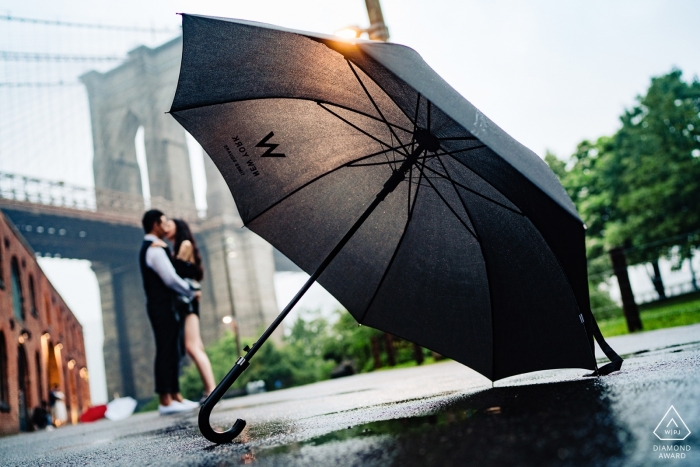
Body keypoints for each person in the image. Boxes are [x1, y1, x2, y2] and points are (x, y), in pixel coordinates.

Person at [139, 209, 200, 415]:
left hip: (163, 305)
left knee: (171, 349)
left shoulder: (158, 247)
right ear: (155, 225)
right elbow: (170, 279)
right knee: (166, 349)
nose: (166, 228)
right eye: (164, 223)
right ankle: (165, 401)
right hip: (161, 305)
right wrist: (191, 290)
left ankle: (175, 396)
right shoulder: (154, 249)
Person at [164, 219, 216, 400]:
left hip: (188, 300)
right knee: (197, 346)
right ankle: (209, 389)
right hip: (187, 299)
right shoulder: (177, 247)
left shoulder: (184, 244)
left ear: (178, 228)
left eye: (169, 225)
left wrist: (162, 252)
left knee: (191, 347)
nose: (165, 228)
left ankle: (211, 390)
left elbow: (176, 271)